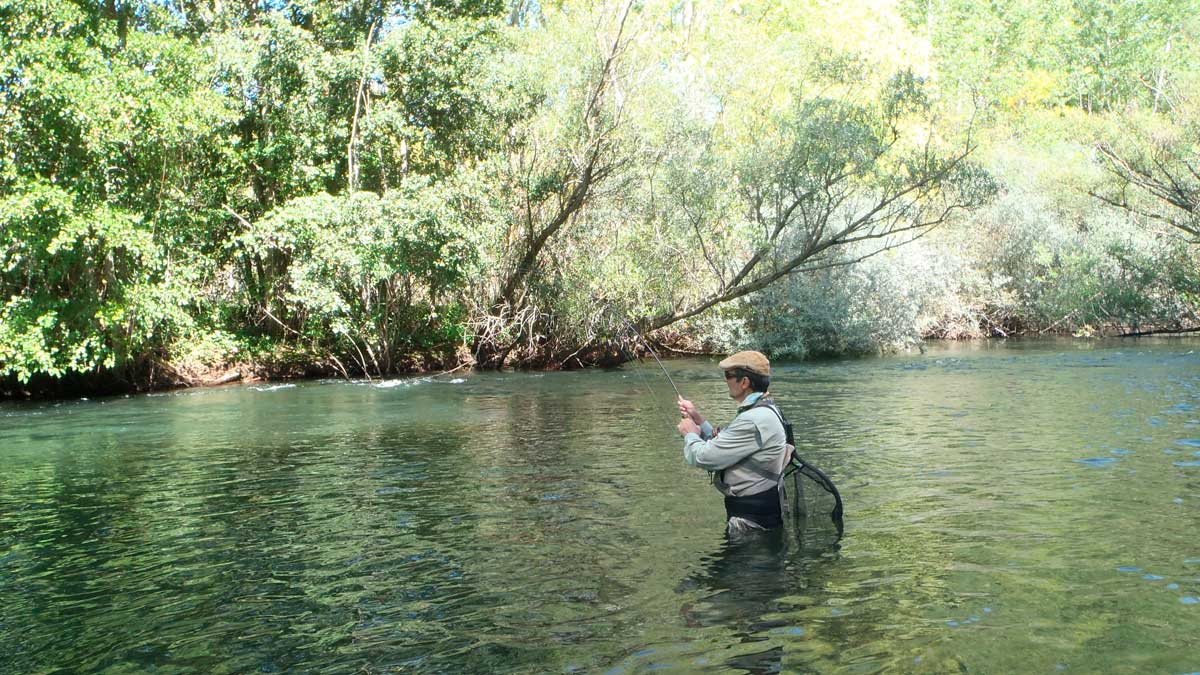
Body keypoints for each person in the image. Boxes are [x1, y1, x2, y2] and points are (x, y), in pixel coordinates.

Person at [676, 351, 790, 536]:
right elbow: (728, 445)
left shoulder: (754, 419)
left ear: (744, 382)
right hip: (758, 514)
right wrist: (698, 419)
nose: (725, 380)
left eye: (728, 375)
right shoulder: (764, 410)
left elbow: (704, 457)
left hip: (752, 524)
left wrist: (690, 434)